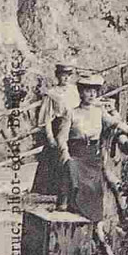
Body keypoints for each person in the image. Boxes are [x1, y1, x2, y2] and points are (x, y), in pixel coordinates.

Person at [56, 72, 128, 221]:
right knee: (70, 169)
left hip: (93, 157)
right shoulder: (71, 113)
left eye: (94, 91)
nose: (91, 94)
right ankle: (66, 205)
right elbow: (61, 137)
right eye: (87, 90)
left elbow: (114, 122)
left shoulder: (99, 111)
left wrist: (127, 129)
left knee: (93, 194)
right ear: (80, 92)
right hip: (76, 155)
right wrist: (65, 153)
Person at [31, 64, 80, 195]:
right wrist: (50, 137)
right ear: (58, 76)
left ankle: (73, 187)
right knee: (54, 157)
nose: (66, 78)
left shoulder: (75, 90)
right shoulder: (52, 93)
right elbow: (46, 118)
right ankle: (52, 190)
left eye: (69, 75)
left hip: (74, 126)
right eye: (63, 75)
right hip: (58, 126)